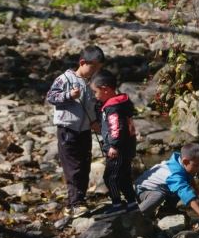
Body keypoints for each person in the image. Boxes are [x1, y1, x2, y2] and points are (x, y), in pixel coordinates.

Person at [46, 45, 105, 218]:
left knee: (84, 167)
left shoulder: (93, 83)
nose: (94, 71)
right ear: (82, 62)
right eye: (92, 67)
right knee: (73, 168)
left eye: (98, 69)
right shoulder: (64, 79)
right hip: (67, 131)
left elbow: (99, 105)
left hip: (85, 131)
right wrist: (68, 96)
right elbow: (51, 97)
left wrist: (97, 122)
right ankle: (75, 204)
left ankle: (79, 200)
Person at [89, 69, 139, 218]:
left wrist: (114, 145)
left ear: (105, 89)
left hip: (119, 149)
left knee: (110, 177)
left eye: (95, 92)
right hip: (126, 147)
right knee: (124, 177)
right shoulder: (121, 101)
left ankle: (117, 204)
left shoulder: (112, 107)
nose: (95, 96)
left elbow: (117, 127)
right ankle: (132, 204)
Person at [134, 143, 199, 218]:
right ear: (185, 161)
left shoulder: (181, 164)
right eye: (196, 165)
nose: (198, 168)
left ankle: (167, 209)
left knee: (183, 183)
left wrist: (196, 188)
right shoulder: (174, 175)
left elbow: (190, 176)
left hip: (161, 187)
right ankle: (136, 215)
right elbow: (185, 193)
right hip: (144, 189)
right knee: (160, 195)